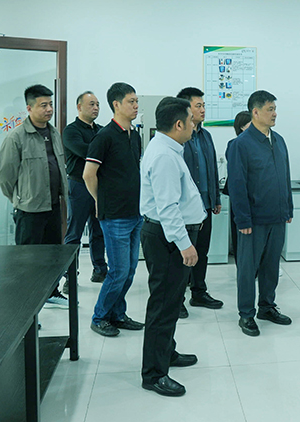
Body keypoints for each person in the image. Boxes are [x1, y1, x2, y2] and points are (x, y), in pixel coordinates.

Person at [140, 97, 204, 397]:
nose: (194, 124)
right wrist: (185, 244)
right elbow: (167, 208)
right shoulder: (165, 156)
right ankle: (154, 374)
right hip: (168, 239)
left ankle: (166, 352)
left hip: (166, 236)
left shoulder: (167, 148)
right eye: (191, 120)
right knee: (164, 305)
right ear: (178, 124)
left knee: (170, 300)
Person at [226, 90, 293, 336]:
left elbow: (285, 176)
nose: (274, 114)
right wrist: (242, 219)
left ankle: (267, 306)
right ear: (255, 112)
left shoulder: (279, 140)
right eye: (269, 109)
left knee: (271, 266)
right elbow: (237, 184)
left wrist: (288, 207)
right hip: (253, 221)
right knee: (247, 269)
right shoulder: (240, 144)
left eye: (275, 109)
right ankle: (246, 313)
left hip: (277, 217)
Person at [0, 83, 69, 307]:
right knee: (27, 260)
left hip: (53, 205)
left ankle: (51, 292)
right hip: (29, 210)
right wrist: (19, 198)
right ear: (29, 108)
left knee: (52, 255)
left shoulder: (54, 133)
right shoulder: (16, 137)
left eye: (51, 104)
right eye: (43, 105)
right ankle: (26, 301)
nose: (49, 109)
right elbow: (5, 175)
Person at [83, 82, 144, 337]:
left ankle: (118, 314)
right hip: (115, 216)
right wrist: (101, 200)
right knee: (118, 271)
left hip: (135, 213)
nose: (136, 105)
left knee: (129, 271)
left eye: (136, 101)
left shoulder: (135, 135)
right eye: (131, 101)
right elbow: (88, 174)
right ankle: (99, 317)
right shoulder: (104, 137)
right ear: (116, 104)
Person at [176, 87, 223, 318]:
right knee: (183, 254)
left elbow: (212, 168)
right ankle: (177, 299)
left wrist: (216, 197)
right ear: (186, 109)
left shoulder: (206, 136)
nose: (203, 110)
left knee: (202, 251)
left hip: (205, 206)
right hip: (185, 209)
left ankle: (199, 292)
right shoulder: (178, 137)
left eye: (204, 105)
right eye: (198, 106)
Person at [62, 91, 107, 286]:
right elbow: (85, 152)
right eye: (91, 104)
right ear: (79, 107)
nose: (96, 108)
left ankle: (100, 270)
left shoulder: (102, 130)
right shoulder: (70, 131)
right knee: (74, 233)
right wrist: (102, 151)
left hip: (99, 185)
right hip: (79, 185)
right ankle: (70, 277)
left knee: (99, 230)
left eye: (97, 104)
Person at [224, 110, 252, 261]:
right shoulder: (234, 144)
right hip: (239, 196)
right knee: (240, 234)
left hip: (254, 197)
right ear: (242, 126)